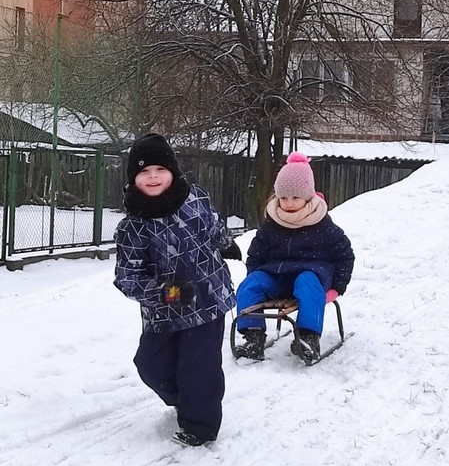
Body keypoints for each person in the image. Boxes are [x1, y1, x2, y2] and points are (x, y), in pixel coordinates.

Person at [114, 133, 241, 447]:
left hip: (208, 300)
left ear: (172, 171)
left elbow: (213, 225)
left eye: (160, 169)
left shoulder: (194, 199)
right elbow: (128, 277)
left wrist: (226, 243)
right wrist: (164, 294)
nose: (153, 176)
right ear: (133, 178)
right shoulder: (132, 226)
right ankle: (184, 398)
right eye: (144, 171)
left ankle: (201, 425)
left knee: (199, 368)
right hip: (163, 311)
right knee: (150, 365)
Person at [235, 152, 354, 364]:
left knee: (307, 282)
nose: (288, 203)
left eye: (295, 197)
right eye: (283, 198)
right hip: (276, 275)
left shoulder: (321, 224)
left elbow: (344, 255)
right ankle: (253, 337)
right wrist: (256, 278)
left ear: (308, 197)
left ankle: (308, 337)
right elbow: (256, 254)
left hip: (311, 274)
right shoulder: (272, 223)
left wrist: (337, 287)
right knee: (250, 284)